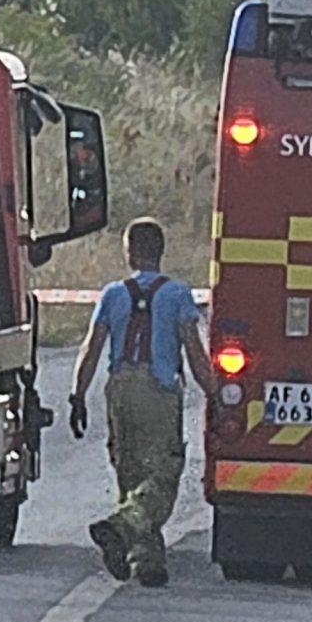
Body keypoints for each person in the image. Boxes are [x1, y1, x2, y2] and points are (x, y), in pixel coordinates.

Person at [68, 217, 213, 588]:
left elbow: (92, 347)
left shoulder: (113, 294)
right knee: (161, 473)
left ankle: (146, 560)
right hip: (157, 389)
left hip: (120, 386)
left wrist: (78, 396)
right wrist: (215, 393)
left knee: (129, 471)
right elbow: (194, 350)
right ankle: (122, 528)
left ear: (128, 252)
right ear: (161, 251)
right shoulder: (178, 295)